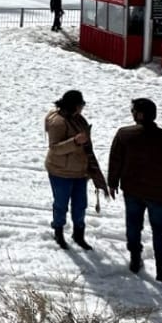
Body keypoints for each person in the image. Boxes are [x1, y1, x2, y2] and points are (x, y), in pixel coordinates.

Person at [107, 98, 162, 283]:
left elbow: (115, 160)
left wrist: (112, 182)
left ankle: (135, 259)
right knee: (161, 232)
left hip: (132, 191)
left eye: (134, 110)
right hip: (160, 195)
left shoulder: (124, 134)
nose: (132, 113)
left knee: (133, 226)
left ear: (140, 114)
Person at [44, 89, 111, 251]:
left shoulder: (78, 119)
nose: (82, 108)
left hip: (80, 172)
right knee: (61, 204)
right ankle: (58, 232)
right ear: (73, 105)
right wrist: (75, 141)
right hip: (61, 172)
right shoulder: (58, 123)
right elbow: (54, 148)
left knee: (80, 205)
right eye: (80, 105)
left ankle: (78, 234)